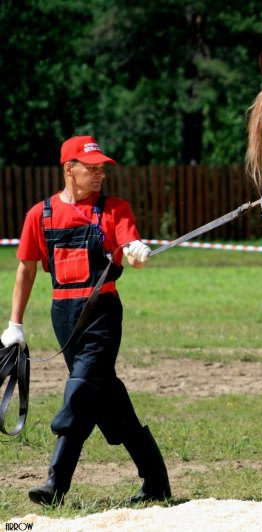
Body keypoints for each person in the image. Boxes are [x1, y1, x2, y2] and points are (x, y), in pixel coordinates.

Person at [0, 135, 171, 506]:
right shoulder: (39, 215)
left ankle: (55, 484)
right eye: (91, 169)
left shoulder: (115, 210)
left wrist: (137, 252)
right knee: (103, 396)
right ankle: (156, 479)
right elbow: (26, 270)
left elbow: (130, 249)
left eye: (101, 169)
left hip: (103, 313)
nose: (99, 175)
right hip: (62, 315)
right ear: (68, 169)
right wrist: (16, 324)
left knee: (79, 390)